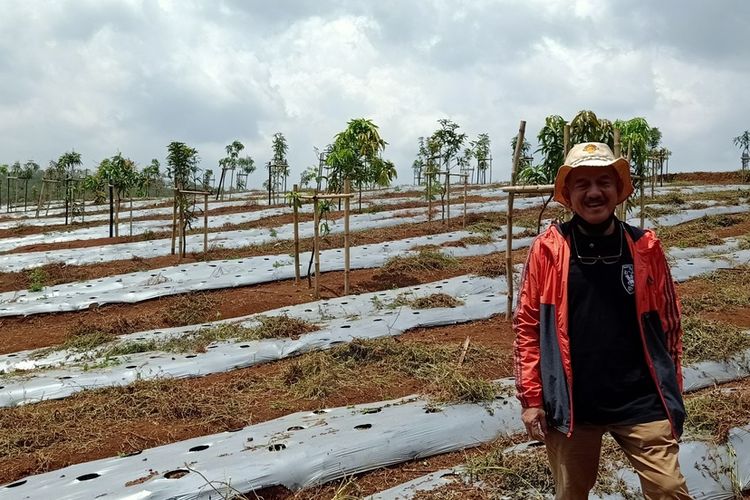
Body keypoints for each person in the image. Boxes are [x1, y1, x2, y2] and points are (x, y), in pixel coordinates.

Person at [513, 142, 692, 499]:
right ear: (568, 192)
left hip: (642, 397)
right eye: (583, 184)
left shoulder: (645, 247)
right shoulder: (549, 249)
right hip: (573, 402)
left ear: (618, 189)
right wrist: (532, 398)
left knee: (669, 489)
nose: (594, 193)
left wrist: (673, 391)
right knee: (571, 492)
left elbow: (670, 324)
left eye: (603, 182)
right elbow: (528, 326)